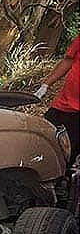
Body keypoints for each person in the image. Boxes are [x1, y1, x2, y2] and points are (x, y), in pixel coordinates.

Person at [35, 34, 80, 167]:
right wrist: (45, 85)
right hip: (64, 104)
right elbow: (68, 60)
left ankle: (62, 182)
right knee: (42, 137)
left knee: (69, 154)